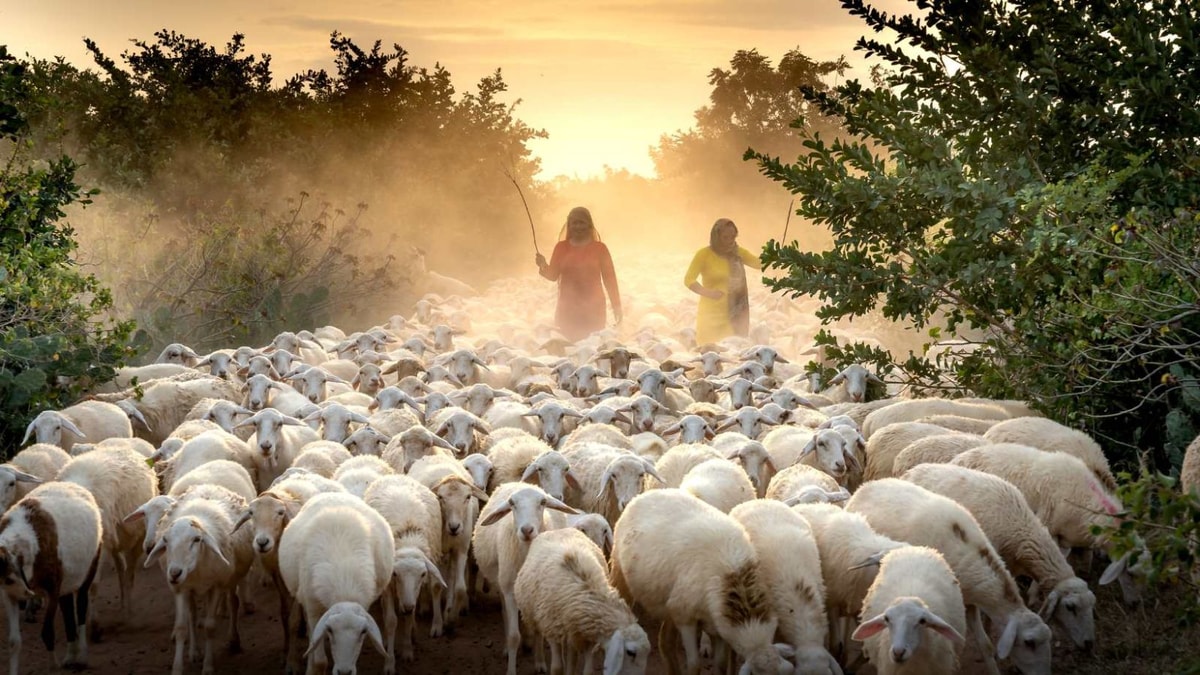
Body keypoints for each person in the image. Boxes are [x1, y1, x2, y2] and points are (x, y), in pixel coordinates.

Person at [535, 206, 622, 341]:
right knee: (567, 346)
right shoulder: (561, 248)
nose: (578, 226)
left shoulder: (600, 249)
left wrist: (616, 306)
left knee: (592, 346)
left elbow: (610, 279)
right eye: (574, 223)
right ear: (569, 225)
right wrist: (542, 264)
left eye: (582, 222)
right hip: (567, 309)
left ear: (589, 225)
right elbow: (553, 275)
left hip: (594, 309)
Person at [684, 218, 762, 346]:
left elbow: (759, 264)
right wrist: (708, 292)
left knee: (733, 351)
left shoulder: (738, 253)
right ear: (716, 236)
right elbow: (689, 279)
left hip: (734, 314)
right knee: (709, 354)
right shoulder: (704, 255)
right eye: (725, 237)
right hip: (710, 315)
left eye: (733, 236)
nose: (730, 241)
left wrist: (776, 256)